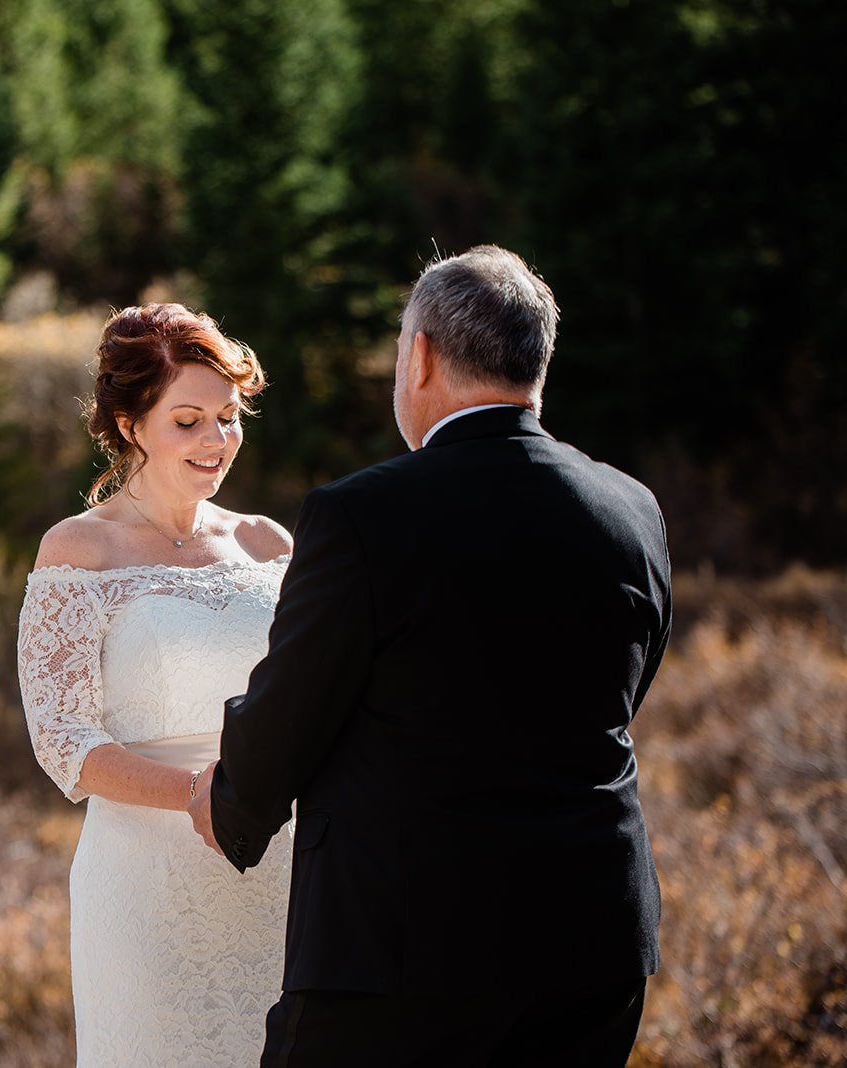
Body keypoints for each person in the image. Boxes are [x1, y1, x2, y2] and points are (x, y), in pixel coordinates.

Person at [188, 245, 672, 1067]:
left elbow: (293, 710)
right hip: (595, 938)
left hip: (402, 952)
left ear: (420, 357)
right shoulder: (631, 509)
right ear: (536, 367)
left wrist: (230, 799)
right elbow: (623, 690)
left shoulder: (361, 519)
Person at [17, 303, 295, 1065]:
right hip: (147, 886)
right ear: (131, 425)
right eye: (188, 420)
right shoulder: (79, 551)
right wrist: (199, 795)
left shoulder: (269, 544)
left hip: (282, 873)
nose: (216, 440)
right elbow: (64, 741)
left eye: (229, 416)